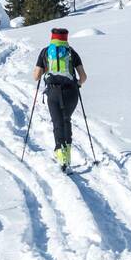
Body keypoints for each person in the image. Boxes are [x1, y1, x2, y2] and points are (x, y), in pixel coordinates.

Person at [33, 26, 86, 170]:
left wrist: (47, 70)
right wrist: (77, 84)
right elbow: (83, 76)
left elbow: (36, 76)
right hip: (71, 93)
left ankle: (61, 157)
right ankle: (67, 153)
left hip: (53, 92)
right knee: (66, 120)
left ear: (52, 37)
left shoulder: (45, 52)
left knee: (57, 123)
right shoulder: (71, 52)